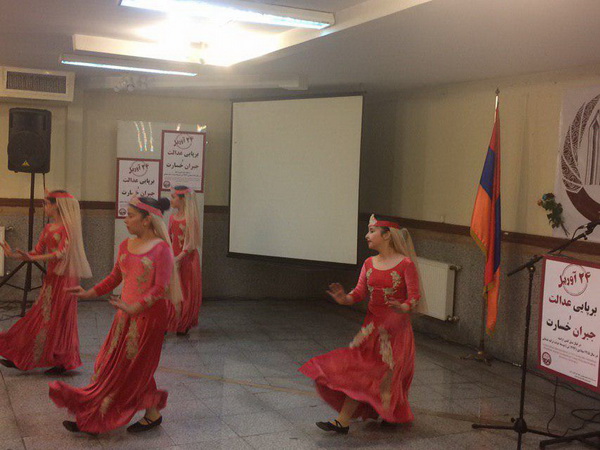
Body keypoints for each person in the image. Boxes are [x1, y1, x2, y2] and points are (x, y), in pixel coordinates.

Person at [49, 196, 181, 434]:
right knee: (116, 364)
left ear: (146, 220)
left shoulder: (161, 249)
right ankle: (151, 412)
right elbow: (114, 278)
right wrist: (89, 293)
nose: (125, 220)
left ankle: (98, 418)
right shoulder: (125, 245)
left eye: (130, 216)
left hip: (148, 318)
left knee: (129, 367)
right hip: (125, 315)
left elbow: (159, 288)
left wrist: (136, 307)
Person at [300, 214, 428, 434]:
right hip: (370, 331)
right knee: (360, 372)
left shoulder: (405, 264)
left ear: (386, 235)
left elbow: (415, 297)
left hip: (395, 333)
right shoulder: (369, 263)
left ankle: (387, 412)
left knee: (386, 375)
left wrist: (402, 307)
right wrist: (344, 298)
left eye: (372, 231)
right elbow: (359, 293)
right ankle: (344, 421)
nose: (366, 235)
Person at [0, 190, 91, 375]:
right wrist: (13, 255)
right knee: (41, 315)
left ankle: (62, 360)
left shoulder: (68, 228)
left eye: (46, 203)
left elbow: (61, 254)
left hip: (65, 279)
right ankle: (22, 354)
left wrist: (35, 258)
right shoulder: (48, 228)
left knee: (60, 318)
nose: (44, 207)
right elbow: (36, 252)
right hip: (52, 278)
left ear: (56, 205)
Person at [167, 186, 202, 335]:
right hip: (174, 258)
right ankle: (169, 321)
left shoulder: (190, 219)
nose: (171, 200)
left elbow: (191, 244)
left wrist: (179, 257)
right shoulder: (172, 218)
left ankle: (183, 323)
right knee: (171, 291)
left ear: (182, 200)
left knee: (185, 291)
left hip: (187, 260)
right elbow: (169, 239)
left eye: (174, 197)